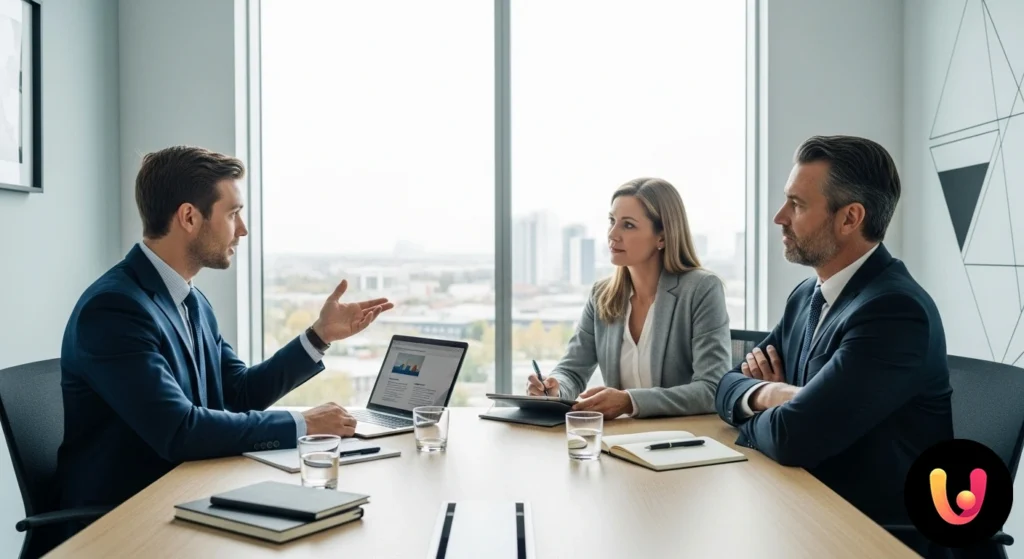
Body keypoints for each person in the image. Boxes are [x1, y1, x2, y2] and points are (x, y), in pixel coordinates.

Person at [57, 146, 393, 524]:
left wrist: (318, 336)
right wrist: (302, 425)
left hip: (189, 494)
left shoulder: (190, 300)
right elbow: (179, 431)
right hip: (125, 520)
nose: (243, 229)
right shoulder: (115, 309)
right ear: (189, 217)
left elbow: (239, 394)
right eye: (233, 213)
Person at [714, 136, 953, 537]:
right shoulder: (807, 295)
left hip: (876, 532)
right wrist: (774, 395)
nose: (779, 217)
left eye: (797, 204)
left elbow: (794, 438)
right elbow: (725, 385)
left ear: (849, 218)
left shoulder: (893, 312)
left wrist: (761, 416)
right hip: (805, 506)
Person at [526, 178, 731, 418]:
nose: (613, 234)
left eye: (628, 225)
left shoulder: (701, 289)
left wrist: (629, 401)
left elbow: (712, 388)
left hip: (682, 435)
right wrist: (554, 389)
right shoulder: (602, 295)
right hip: (621, 436)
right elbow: (572, 370)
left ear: (662, 237)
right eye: (612, 221)